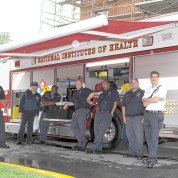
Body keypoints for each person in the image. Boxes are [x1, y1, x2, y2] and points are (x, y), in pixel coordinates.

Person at [86, 80, 119, 154]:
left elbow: (116, 102)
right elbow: (98, 104)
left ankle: (93, 147)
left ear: (108, 84)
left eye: (105, 84)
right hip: (99, 114)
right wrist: (97, 112)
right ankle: (99, 149)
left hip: (107, 114)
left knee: (101, 131)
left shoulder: (113, 92)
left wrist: (112, 112)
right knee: (96, 131)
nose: (103, 85)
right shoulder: (102, 94)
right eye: (102, 84)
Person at [143, 71, 167, 168]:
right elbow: (144, 103)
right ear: (150, 78)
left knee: (153, 138)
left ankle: (151, 160)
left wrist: (149, 100)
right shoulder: (148, 89)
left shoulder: (162, 88)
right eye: (152, 77)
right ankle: (152, 157)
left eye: (156, 77)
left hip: (156, 115)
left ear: (158, 78)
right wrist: (152, 99)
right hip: (147, 115)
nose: (154, 78)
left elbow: (155, 100)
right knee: (148, 138)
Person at [63, 80, 93, 151]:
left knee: (81, 127)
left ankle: (80, 144)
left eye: (78, 84)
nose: (77, 85)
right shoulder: (75, 93)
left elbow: (93, 93)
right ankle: (82, 141)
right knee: (73, 126)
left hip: (83, 109)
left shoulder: (85, 90)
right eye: (76, 84)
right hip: (77, 110)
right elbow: (72, 103)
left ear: (82, 84)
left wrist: (88, 99)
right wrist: (67, 104)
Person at [122, 78, 145, 160]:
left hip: (138, 117)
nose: (133, 84)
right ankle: (132, 152)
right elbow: (123, 106)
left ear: (138, 83)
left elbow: (146, 105)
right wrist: (124, 117)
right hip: (129, 118)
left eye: (135, 83)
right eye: (132, 83)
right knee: (130, 135)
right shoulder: (127, 94)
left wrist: (144, 117)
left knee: (138, 136)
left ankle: (139, 153)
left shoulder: (143, 93)